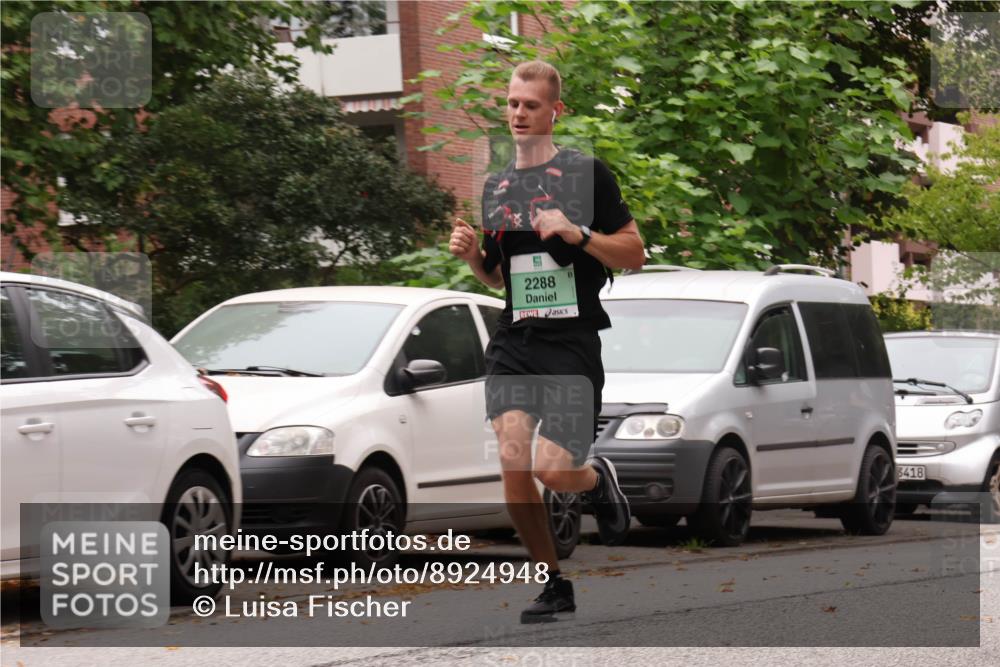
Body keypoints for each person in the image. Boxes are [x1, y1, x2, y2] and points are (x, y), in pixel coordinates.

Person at [449, 60, 646, 623]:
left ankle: (597, 479)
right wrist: (471, 257)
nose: (517, 113)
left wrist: (578, 234)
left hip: (571, 340)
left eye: (530, 105)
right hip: (515, 337)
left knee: (554, 472)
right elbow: (498, 276)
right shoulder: (498, 185)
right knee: (513, 463)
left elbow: (633, 253)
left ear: (555, 112)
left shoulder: (587, 175)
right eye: (512, 103)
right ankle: (553, 582)